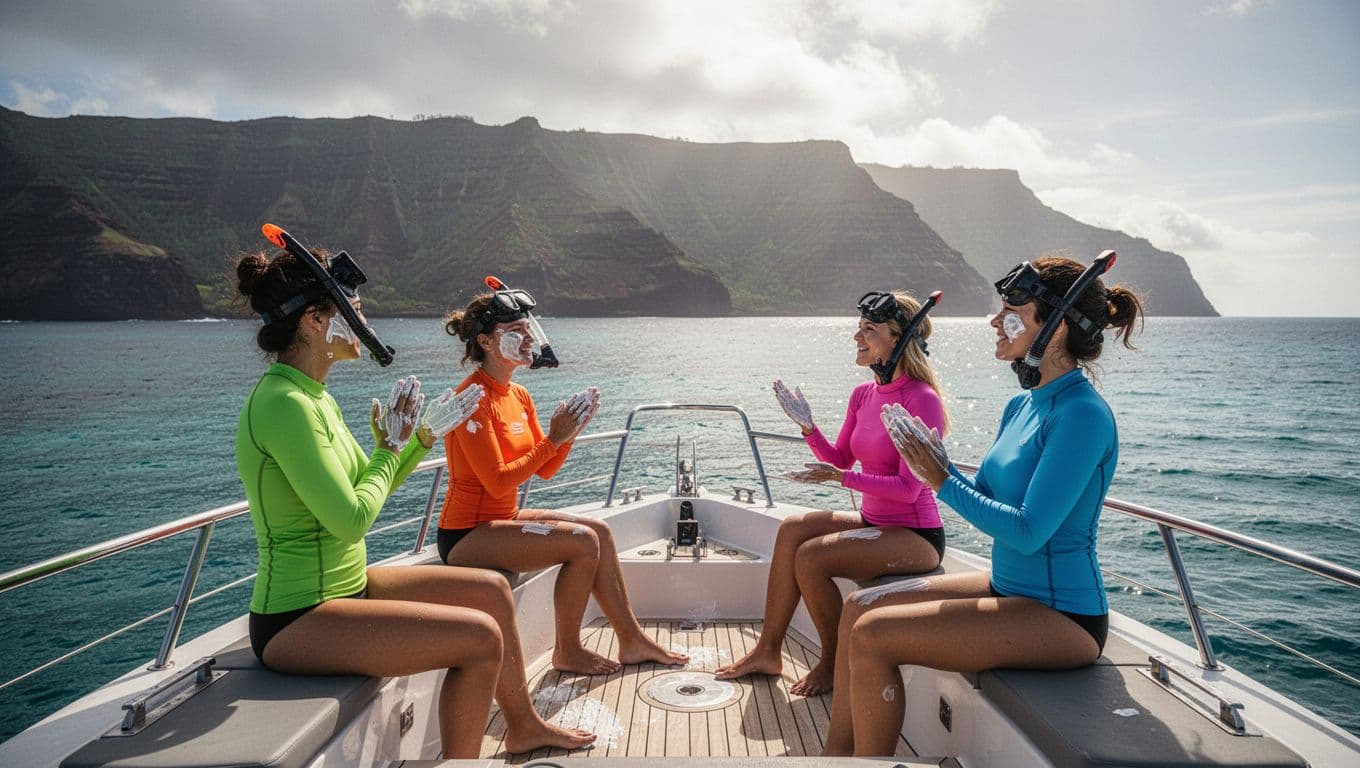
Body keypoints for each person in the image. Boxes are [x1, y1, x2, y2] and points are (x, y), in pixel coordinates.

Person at [235, 248, 594, 759]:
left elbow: (367, 481)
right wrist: (389, 451)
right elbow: (351, 519)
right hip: (297, 615)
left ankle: (523, 725)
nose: (363, 318)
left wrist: (421, 438)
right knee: (479, 640)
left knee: (492, 590)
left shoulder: (313, 395)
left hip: (345, 586)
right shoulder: (284, 406)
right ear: (316, 320)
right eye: (352, 308)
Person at [823, 253, 1143, 756]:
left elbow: (1028, 531)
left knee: (874, 636)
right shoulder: (1021, 405)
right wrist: (938, 466)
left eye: (1013, 310)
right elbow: (990, 497)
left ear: (1055, 327)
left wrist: (942, 480)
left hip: (1063, 616)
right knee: (860, 606)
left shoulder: (1084, 416)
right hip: (1007, 586)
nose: (995, 320)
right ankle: (832, 760)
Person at [437, 283, 688, 675]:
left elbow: (545, 469)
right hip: (466, 533)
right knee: (582, 543)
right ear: (485, 341)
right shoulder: (472, 400)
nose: (526, 338)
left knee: (599, 532)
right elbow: (499, 483)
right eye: (514, 331)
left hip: (502, 519)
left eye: (526, 329)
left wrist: (568, 435)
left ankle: (631, 639)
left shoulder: (517, 395)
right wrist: (554, 437)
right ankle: (567, 650)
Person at [715, 290, 948, 697]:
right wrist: (808, 428)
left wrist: (839, 479)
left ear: (896, 338)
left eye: (868, 330)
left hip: (916, 536)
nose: (857, 337)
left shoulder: (921, 398)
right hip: (875, 523)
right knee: (792, 530)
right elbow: (840, 457)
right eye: (858, 328)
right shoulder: (864, 394)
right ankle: (768, 651)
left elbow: (910, 492)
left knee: (811, 557)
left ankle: (833, 663)